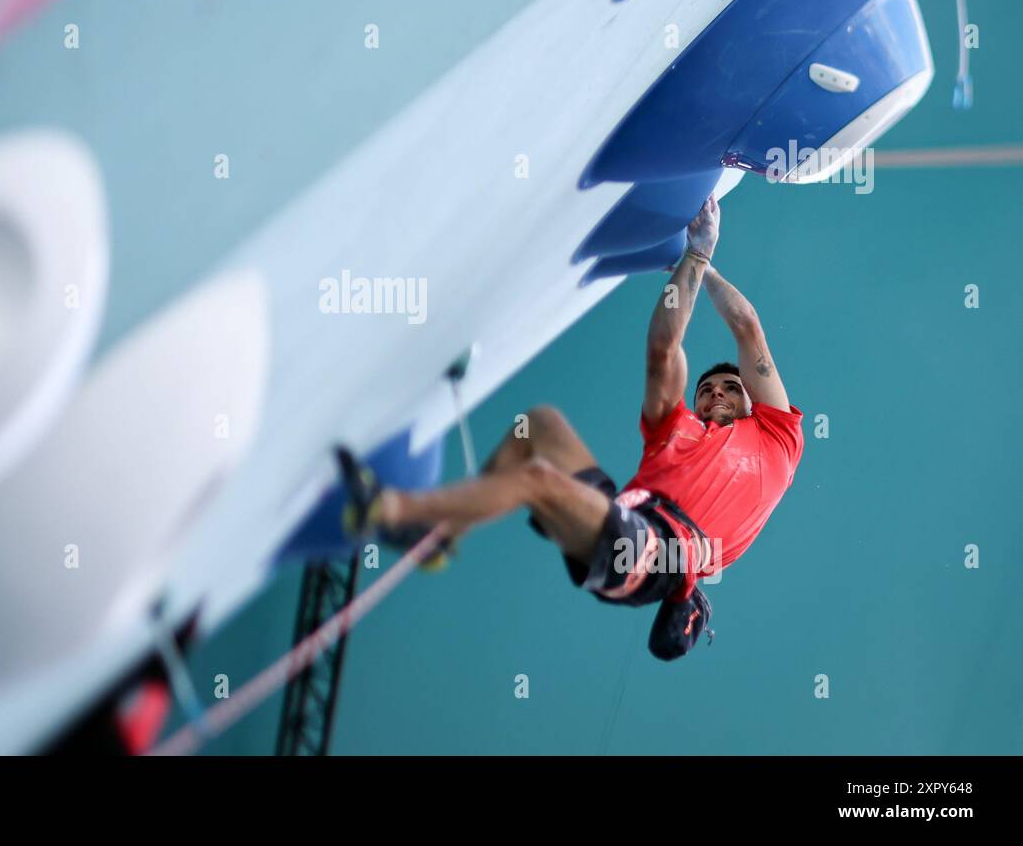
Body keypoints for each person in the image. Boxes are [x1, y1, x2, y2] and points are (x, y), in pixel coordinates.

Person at [338, 197, 804, 659]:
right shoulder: (675, 429)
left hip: (656, 555)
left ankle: (393, 510)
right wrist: (692, 259)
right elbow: (664, 347)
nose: (716, 393)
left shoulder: (776, 442)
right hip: (622, 514)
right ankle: (444, 536)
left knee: (540, 479)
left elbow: (747, 327)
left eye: (729, 387)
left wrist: (706, 261)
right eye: (707, 389)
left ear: (753, 400)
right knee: (537, 426)